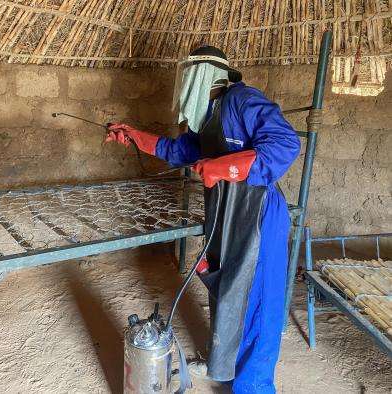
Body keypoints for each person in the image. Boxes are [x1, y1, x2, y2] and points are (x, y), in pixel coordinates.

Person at [105, 45, 300, 393]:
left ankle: (254, 386)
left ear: (203, 75)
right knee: (228, 291)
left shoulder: (243, 100)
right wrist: (133, 135)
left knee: (257, 305)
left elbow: (284, 145)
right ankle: (228, 367)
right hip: (226, 214)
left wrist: (222, 166)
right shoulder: (208, 120)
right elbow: (177, 151)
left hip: (258, 216)